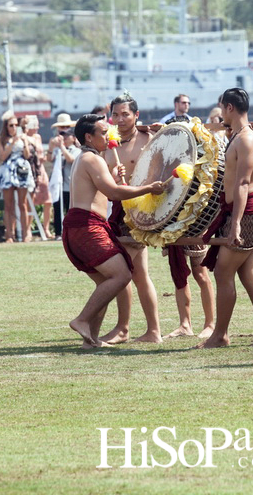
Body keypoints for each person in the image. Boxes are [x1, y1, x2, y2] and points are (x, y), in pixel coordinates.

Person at [63, 114, 170, 348]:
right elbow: (114, 194)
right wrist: (148, 189)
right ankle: (82, 320)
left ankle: (90, 339)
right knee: (122, 276)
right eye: (103, 132)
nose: (108, 135)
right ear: (89, 137)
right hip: (87, 227)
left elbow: (101, 190)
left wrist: (112, 178)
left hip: (81, 226)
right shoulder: (92, 158)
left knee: (106, 282)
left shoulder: (88, 158)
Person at [194, 87, 253, 349]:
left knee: (223, 273)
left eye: (222, 108)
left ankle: (219, 335)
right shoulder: (245, 135)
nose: (221, 113)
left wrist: (234, 225)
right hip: (252, 213)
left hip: (248, 215)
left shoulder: (245, 138)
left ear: (230, 108)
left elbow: (243, 183)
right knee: (250, 276)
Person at [100, 94, 163, 344]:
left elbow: (167, 164)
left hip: (141, 211)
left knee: (121, 270)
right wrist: (115, 176)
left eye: (125, 114)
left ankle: (123, 328)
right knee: (138, 274)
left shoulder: (150, 138)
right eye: (115, 114)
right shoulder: (107, 143)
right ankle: (153, 331)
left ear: (136, 116)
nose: (120, 119)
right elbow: (104, 179)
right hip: (117, 209)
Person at [0, 111, 36, 242]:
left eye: (15, 125)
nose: (13, 128)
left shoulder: (23, 137)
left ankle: (26, 233)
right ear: (6, 126)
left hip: (21, 170)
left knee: (23, 204)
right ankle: (9, 234)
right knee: (8, 204)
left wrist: (24, 142)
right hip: (7, 171)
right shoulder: (1, 139)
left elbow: (27, 155)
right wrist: (12, 142)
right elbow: (3, 156)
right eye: (11, 125)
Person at [46, 113, 81, 238]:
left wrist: (62, 147)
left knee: (71, 211)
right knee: (58, 209)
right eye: (61, 131)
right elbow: (49, 158)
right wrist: (52, 147)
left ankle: (73, 233)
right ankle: (58, 232)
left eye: (67, 135)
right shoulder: (57, 148)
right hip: (59, 185)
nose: (64, 137)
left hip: (70, 185)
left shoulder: (76, 149)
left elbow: (71, 159)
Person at [25, 115, 54, 239]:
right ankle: (28, 230)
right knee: (29, 202)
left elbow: (41, 154)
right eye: (34, 125)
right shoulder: (24, 138)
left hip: (41, 170)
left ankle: (46, 229)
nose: (37, 128)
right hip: (30, 171)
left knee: (48, 201)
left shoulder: (38, 137)